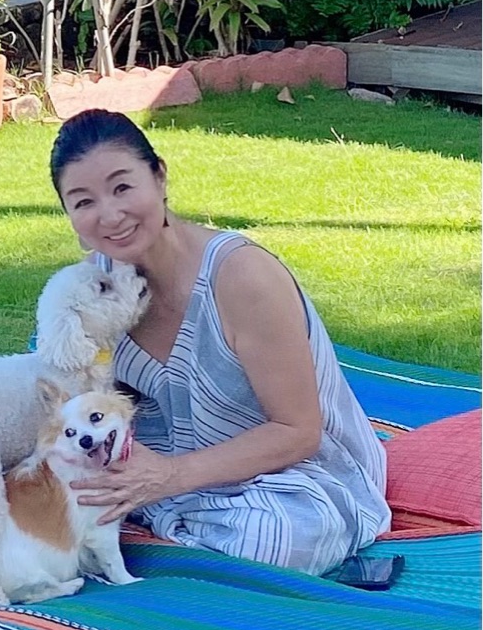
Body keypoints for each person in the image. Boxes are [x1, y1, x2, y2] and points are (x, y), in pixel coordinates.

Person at [49, 109, 390, 576]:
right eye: (84, 201)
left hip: (286, 476)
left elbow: (298, 432)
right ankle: (180, 533)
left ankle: (169, 533)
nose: (110, 215)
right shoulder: (88, 290)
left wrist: (168, 477)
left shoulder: (241, 277)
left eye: (122, 187)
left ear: (160, 177)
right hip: (154, 469)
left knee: (280, 538)